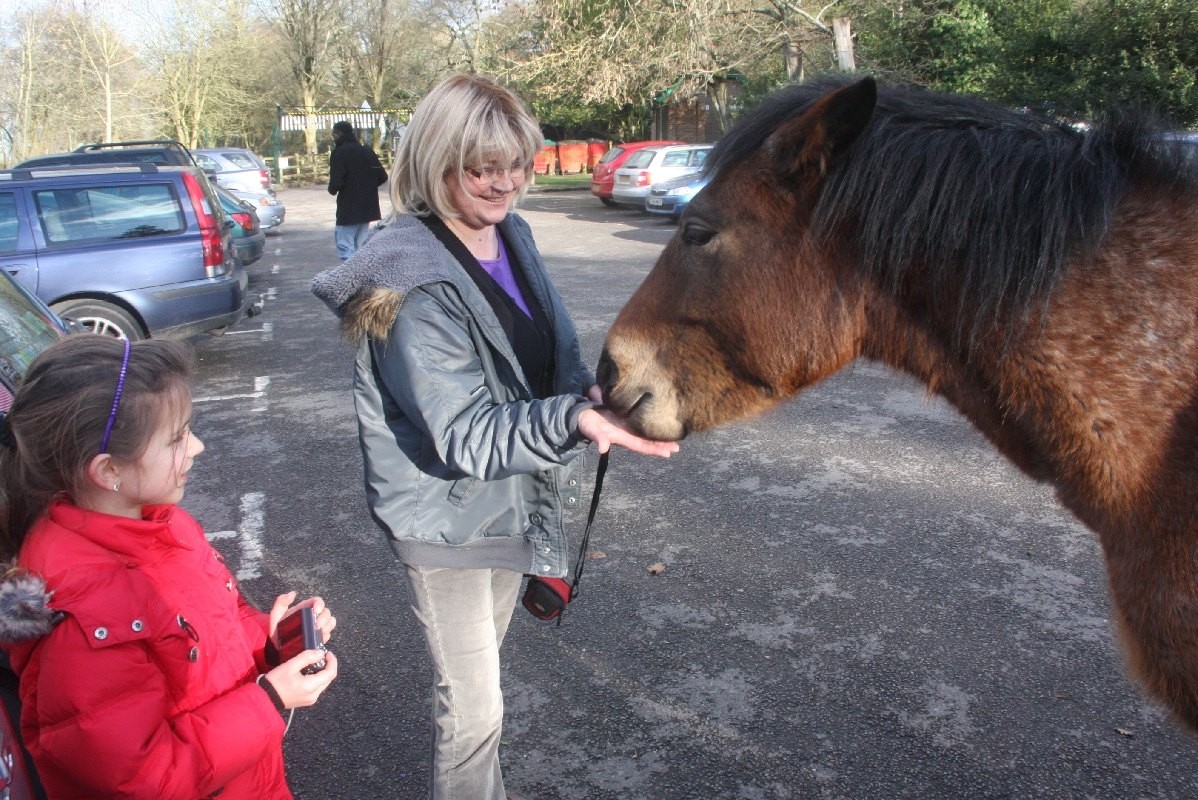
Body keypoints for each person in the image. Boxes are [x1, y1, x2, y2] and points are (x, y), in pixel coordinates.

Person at [311, 74, 679, 799]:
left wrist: (592, 394)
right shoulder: (406, 280)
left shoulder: (511, 232)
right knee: (475, 712)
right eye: (483, 167)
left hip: (515, 501)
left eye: (518, 163)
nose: (505, 182)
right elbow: (466, 436)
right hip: (447, 524)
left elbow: (553, 354)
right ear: (437, 161)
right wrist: (574, 420)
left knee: (486, 695)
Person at [0, 335, 339, 799]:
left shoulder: (161, 524)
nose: (197, 447)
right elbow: (143, 779)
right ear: (108, 471)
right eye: (177, 438)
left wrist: (270, 641)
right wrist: (269, 699)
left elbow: (206, 632)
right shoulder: (84, 615)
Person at [328, 120, 388, 260]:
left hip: (348, 208)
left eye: (334, 135)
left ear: (339, 133)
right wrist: (368, 186)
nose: (333, 138)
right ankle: (361, 276)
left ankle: (350, 279)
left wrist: (333, 189)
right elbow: (382, 176)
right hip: (367, 206)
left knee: (345, 245)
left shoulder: (339, 153)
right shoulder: (367, 151)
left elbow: (336, 182)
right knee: (360, 246)